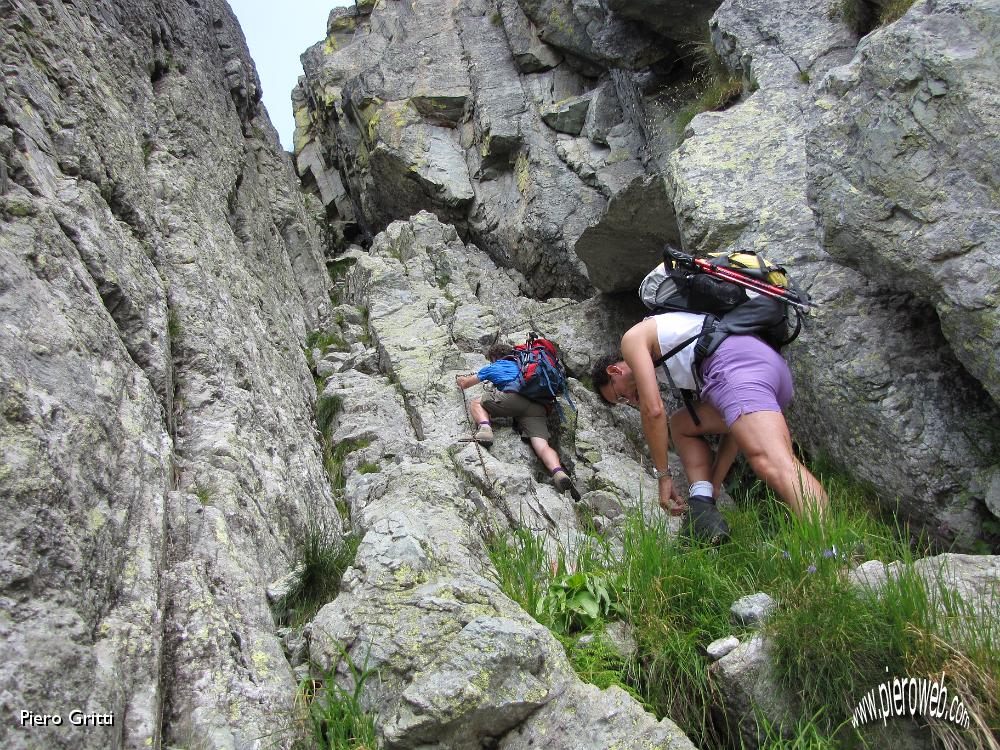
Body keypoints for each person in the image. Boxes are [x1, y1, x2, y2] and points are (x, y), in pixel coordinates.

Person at [591, 313, 827, 543]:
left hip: (735, 365)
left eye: (621, 396)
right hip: (764, 364)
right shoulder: (666, 357)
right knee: (682, 424)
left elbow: (653, 411)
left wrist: (664, 477)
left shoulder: (632, 340)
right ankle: (702, 499)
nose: (631, 401)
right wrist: (715, 483)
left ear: (614, 371)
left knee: (772, 461)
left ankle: (832, 548)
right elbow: (734, 428)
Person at [457, 343, 580, 500]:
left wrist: (460, 380)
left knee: (476, 402)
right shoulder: (525, 365)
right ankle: (558, 472)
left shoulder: (495, 366)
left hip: (512, 399)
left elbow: (466, 384)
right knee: (542, 446)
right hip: (538, 407)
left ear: (494, 358)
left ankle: (485, 429)